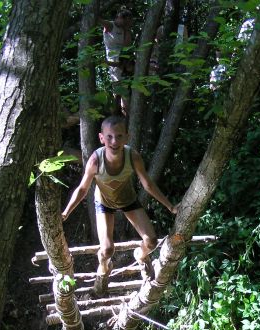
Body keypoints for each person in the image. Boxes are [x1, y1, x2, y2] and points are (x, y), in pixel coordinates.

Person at [61, 115, 178, 297]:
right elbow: (83, 189)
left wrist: (170, 207)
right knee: (107, 249)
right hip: (103, 204)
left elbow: (147, 184)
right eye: (109, 137)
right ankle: (103, 267)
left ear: (127, 137)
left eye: (119, 136)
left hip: (128, 200)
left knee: (152, 241)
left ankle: (140, 255)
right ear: (101, 138)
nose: (114, 141)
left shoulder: (133, 157)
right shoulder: (95, 160)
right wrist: (66, 212)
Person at [98, 8, 134, 116]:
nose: (125, 22)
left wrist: (127, 29)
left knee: (124, 89)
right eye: (124, 20)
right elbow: (97, 19)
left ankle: (125, 115)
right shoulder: (110, 25)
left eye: (128, 21)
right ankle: (118, 115)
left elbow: (127, 46)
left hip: (124, 59)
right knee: (118, 90)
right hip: (113, 60)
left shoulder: (125, 29)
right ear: (118, 18)